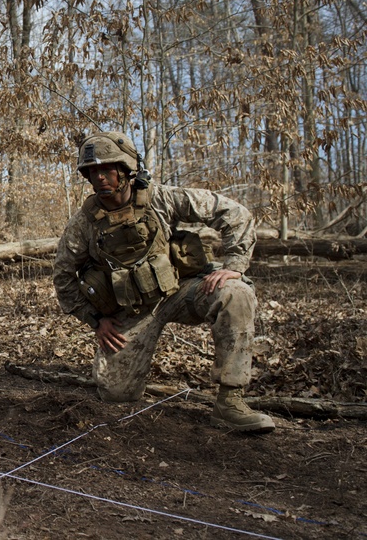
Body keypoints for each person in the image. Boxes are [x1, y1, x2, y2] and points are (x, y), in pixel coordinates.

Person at [52, 131, 274, 433]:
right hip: (131, 312)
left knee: (236, 293)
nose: (100, 177)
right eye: (92, 171)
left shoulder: (161, 199)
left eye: (107, 169)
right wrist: (96, 320)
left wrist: (234, 265)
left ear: (126, 170)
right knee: (117, 395)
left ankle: (230, 402)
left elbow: (235, 213)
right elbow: (63, 277)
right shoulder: (83, 223)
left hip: (181, 291)